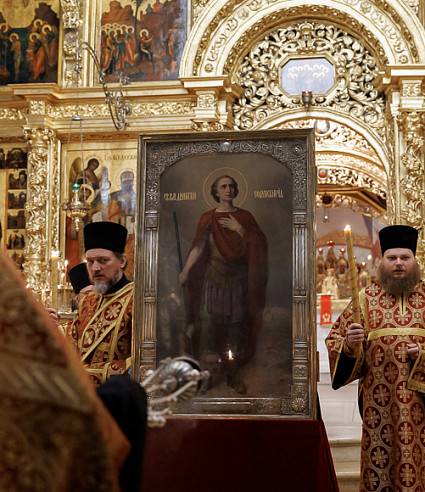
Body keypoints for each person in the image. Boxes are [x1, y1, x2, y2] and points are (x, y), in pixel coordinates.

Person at [326, 224, 425, 491]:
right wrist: (350, 344)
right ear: (382, 261)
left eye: (404, 257)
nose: (398, 263)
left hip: (420, 407)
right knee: (381, 468)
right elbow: (334, 341)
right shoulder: (364, 299)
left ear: (415, 260)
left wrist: (422, 356)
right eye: (392, 258)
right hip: (379, 407)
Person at [179, 175, 268, 365]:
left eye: (231, 186)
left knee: (236, 325)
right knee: (209, 324)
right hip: (213, 278)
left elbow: (259, 245)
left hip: (238, 280)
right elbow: (199, 247)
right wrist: (186, 270)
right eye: (223, 186)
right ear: (216, 192)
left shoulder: (245, 217)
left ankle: (234, 369)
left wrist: (240, 229)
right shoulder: (208, 218)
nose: (228, 189)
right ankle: (207, 368)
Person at [65, 221, 133, 386]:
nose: (95, 268)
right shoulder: (88, 300)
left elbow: (139, 362)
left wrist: (83, 373)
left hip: (119, 395)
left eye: (103, 260)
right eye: (90, 261)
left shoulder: (136, 299)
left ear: (122, 261)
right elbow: (70, 341)